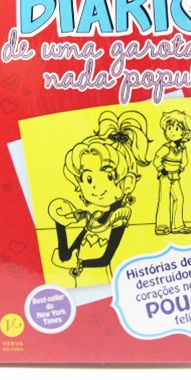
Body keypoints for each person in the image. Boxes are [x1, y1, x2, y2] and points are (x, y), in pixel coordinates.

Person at [49, 110, 151, 286]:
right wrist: (59, 222)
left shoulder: (119, 217)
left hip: (104, 282)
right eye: (88, 179)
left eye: (108, 177)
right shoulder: (91, 217)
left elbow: (105, 259)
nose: (95, 187)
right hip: (79, 283)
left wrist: (80, 264)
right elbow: (65, 256)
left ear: (127, 182)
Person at [154, 110, 191, 235]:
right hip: (166, 175)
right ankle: (162, 226)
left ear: (184, 132)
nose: (172, 131)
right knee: (164, 199)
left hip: (175, 176)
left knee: (179, 198)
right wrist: (161, 169)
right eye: (169, 128)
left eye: (177, 129)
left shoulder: (182, 147)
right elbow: (157, 159)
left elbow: (185, 160)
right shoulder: (166, 147)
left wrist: (181, 168)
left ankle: (178, 226)